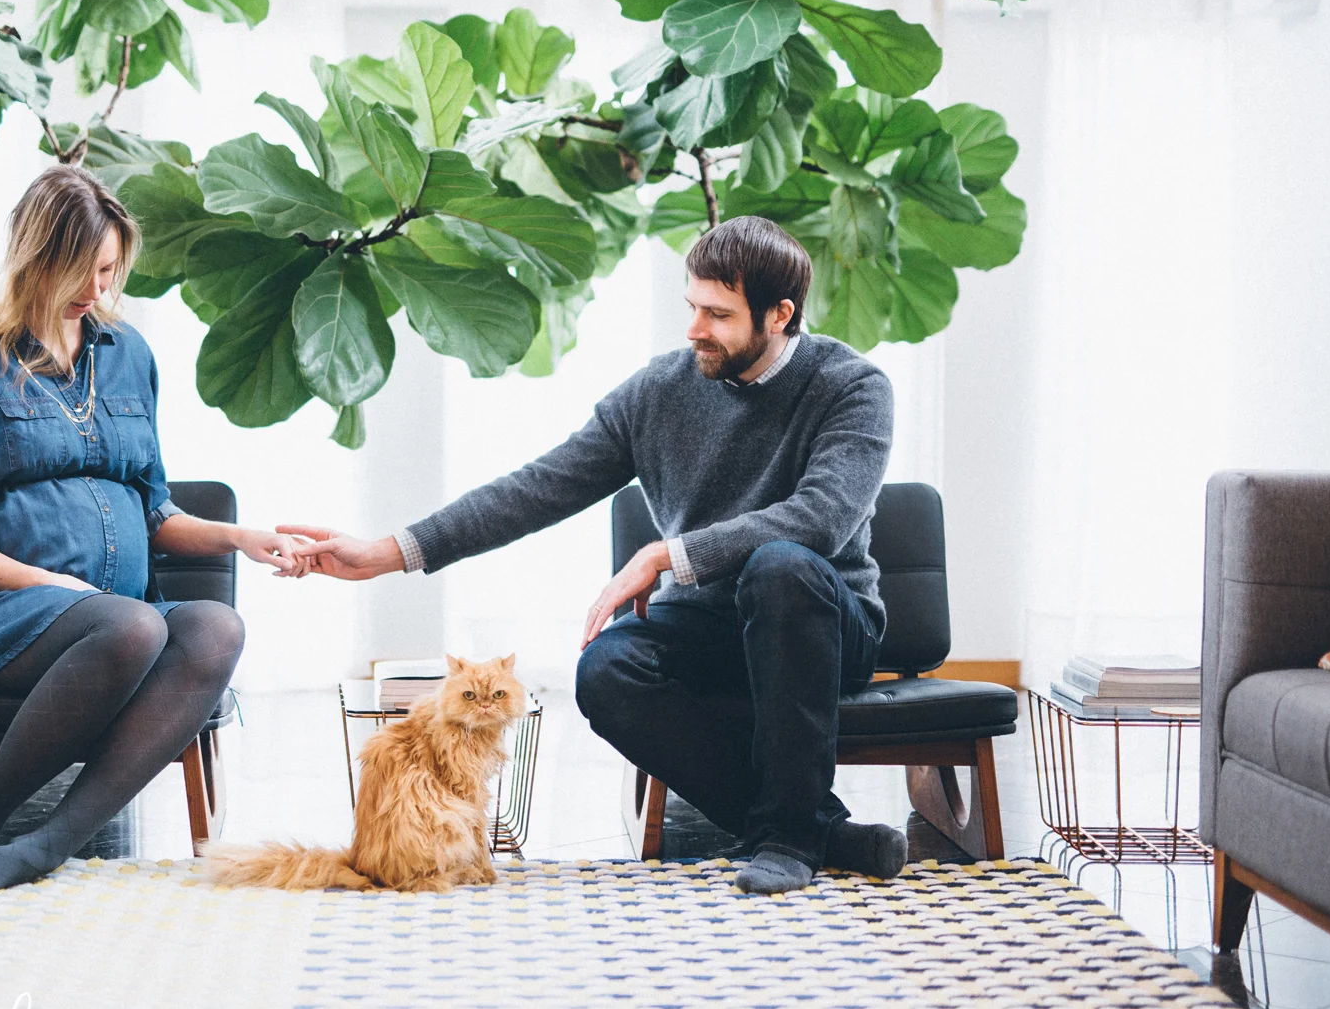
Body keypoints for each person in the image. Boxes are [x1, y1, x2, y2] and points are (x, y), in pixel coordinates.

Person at [290, 215, 904, 894]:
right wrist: (389, 551)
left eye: (718, 314)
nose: (695, 327)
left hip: (820, 621)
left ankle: (791, 836)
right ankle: (818, 828)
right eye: (692, 306)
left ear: (780, 314)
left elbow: (819, 519)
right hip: (711, 620)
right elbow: (537, 488)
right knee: (606, 669)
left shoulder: (854, 386)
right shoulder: (661, 389)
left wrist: (667, 554)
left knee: (781, 565)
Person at [0, 165, 306, 895]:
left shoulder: (129, 357)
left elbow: (155, 511)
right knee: (135, 628)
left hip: (116, 620)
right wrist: (46, 581)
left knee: (216, 629)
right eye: (78, 272)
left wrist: (242, 538)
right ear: (33, 259)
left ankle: (48, 842)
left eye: (108, 271)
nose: (96, 291)